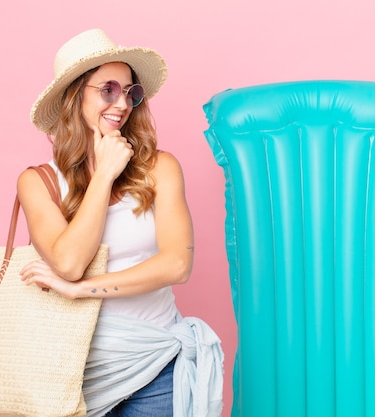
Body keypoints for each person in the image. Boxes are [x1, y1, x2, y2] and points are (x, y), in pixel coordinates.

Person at [17, 28, 223, 417]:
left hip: (156, 365)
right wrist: (104, 174)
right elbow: (69, 263)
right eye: (107, 90)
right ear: (74, 96)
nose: (122, 103)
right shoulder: (38, 182)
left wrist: (82, 291)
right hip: (71, 371)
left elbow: (177, 265)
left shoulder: (161, 168)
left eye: (130, 92)